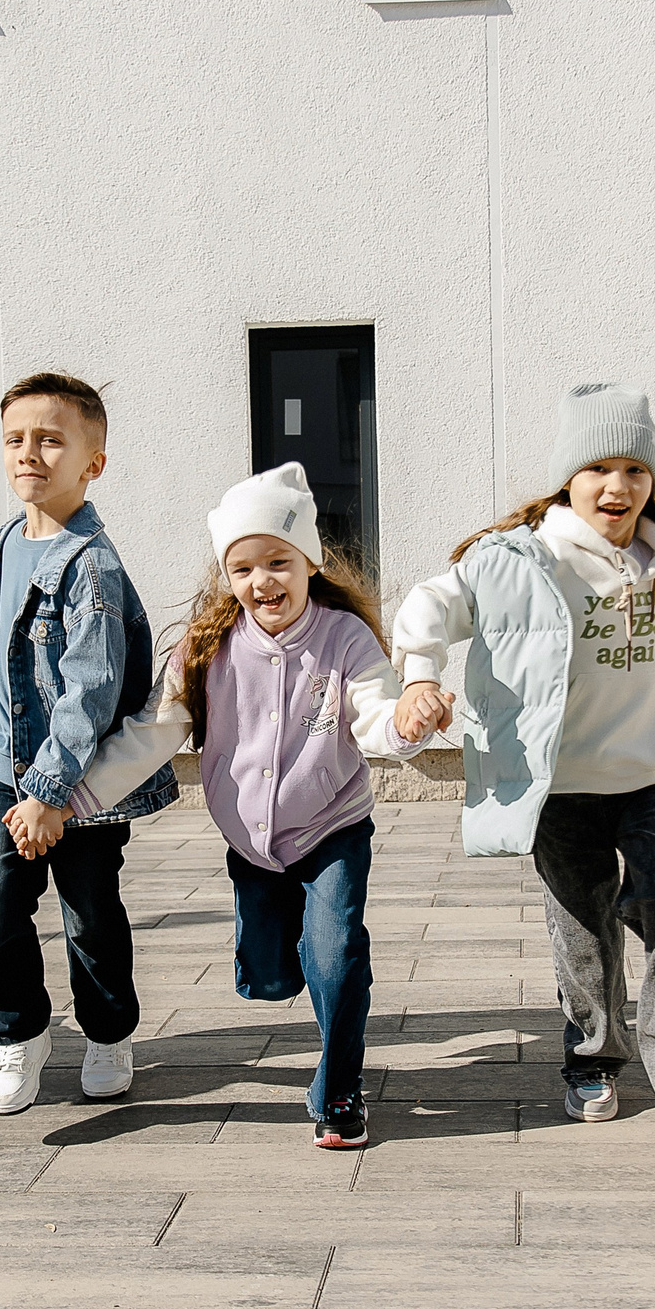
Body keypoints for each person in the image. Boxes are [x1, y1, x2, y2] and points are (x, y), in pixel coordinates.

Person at [392, 384, 655, 1139]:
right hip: (562, 782)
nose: (616, 486)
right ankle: (592, 1057)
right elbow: (433, 602)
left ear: (652, 481)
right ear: (569, 478)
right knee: (583, 926)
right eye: (598, 468)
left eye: (634, 469)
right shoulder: (522, 560)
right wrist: (421, 675)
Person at [54, 464, 432, 1149]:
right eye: (245, 567)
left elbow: (376, 715)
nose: (264, 581)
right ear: (228, 576)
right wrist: (74, 799)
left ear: (309, 563)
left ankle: (340, 1090)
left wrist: (406, 720)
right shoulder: (206, 646)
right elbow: (152, 734)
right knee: (270, 972)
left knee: (336, 950)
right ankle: (282, 962)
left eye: (279, 562)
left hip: (331, 825)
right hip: (251, 843)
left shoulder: (343, 639)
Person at [0, 373, 178, 1114]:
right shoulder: (9, 539)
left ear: (92, 462)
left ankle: (108, 1031)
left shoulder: (94, 568)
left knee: (89, 912)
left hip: (79, 780)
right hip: (3, 765)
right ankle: (19, 1031)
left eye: (50, 439)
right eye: (15, 439)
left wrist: (49, 794)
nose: (29, 453)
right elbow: (18, 645)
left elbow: (87, 694)